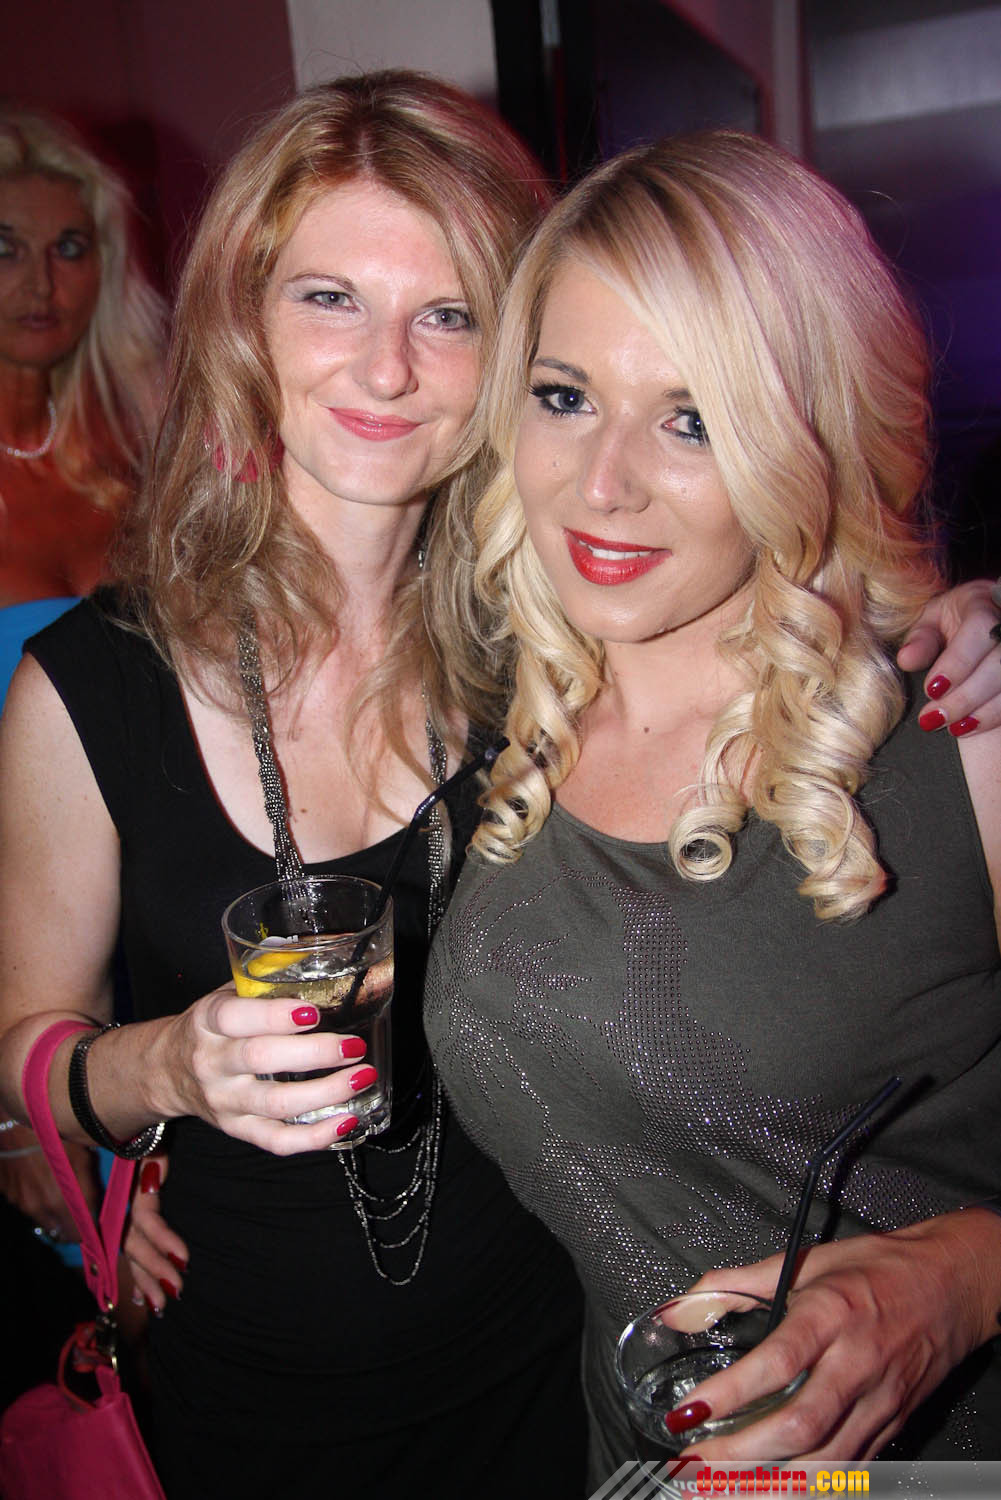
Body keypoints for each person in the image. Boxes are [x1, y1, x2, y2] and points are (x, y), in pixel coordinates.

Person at [0, 74, 588, 1499]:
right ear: (242, 323)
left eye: (448, 314)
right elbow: (22, 1051)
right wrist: (163, 1068)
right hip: (243, 1413)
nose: (386, 370)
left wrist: (947, 632)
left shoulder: (568, 646)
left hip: (554, 1379)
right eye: (330, 298)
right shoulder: (91, 687)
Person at [423, 129, 1001, 1480]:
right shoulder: (494, 720)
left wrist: (964, 1278)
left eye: (691, 419)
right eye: (565, 396)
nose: (603, 482)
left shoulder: (956, 737)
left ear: (810, 437)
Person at [0, 109, 164, 605]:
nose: (42, 285)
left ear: (104, 267)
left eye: (69, 248)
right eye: (4, 249)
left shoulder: (139, 441)